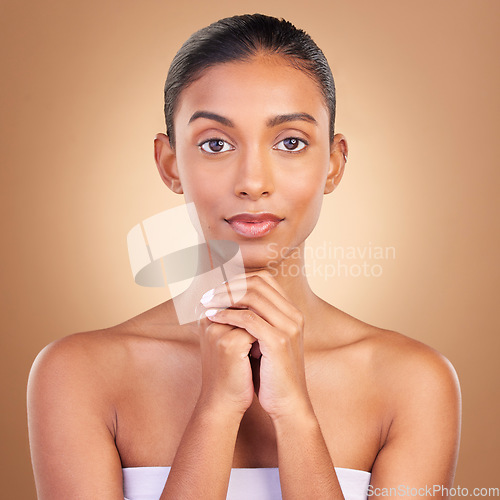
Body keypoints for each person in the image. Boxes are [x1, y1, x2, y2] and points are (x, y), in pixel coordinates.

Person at [27, 13, 461, 500]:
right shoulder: (78, 375)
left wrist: (295, 413)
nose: (253, 181)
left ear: (334, 164)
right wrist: (214, 411)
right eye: (216, 144)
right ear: (170, 164)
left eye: (290, 143)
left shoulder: (414, 384)